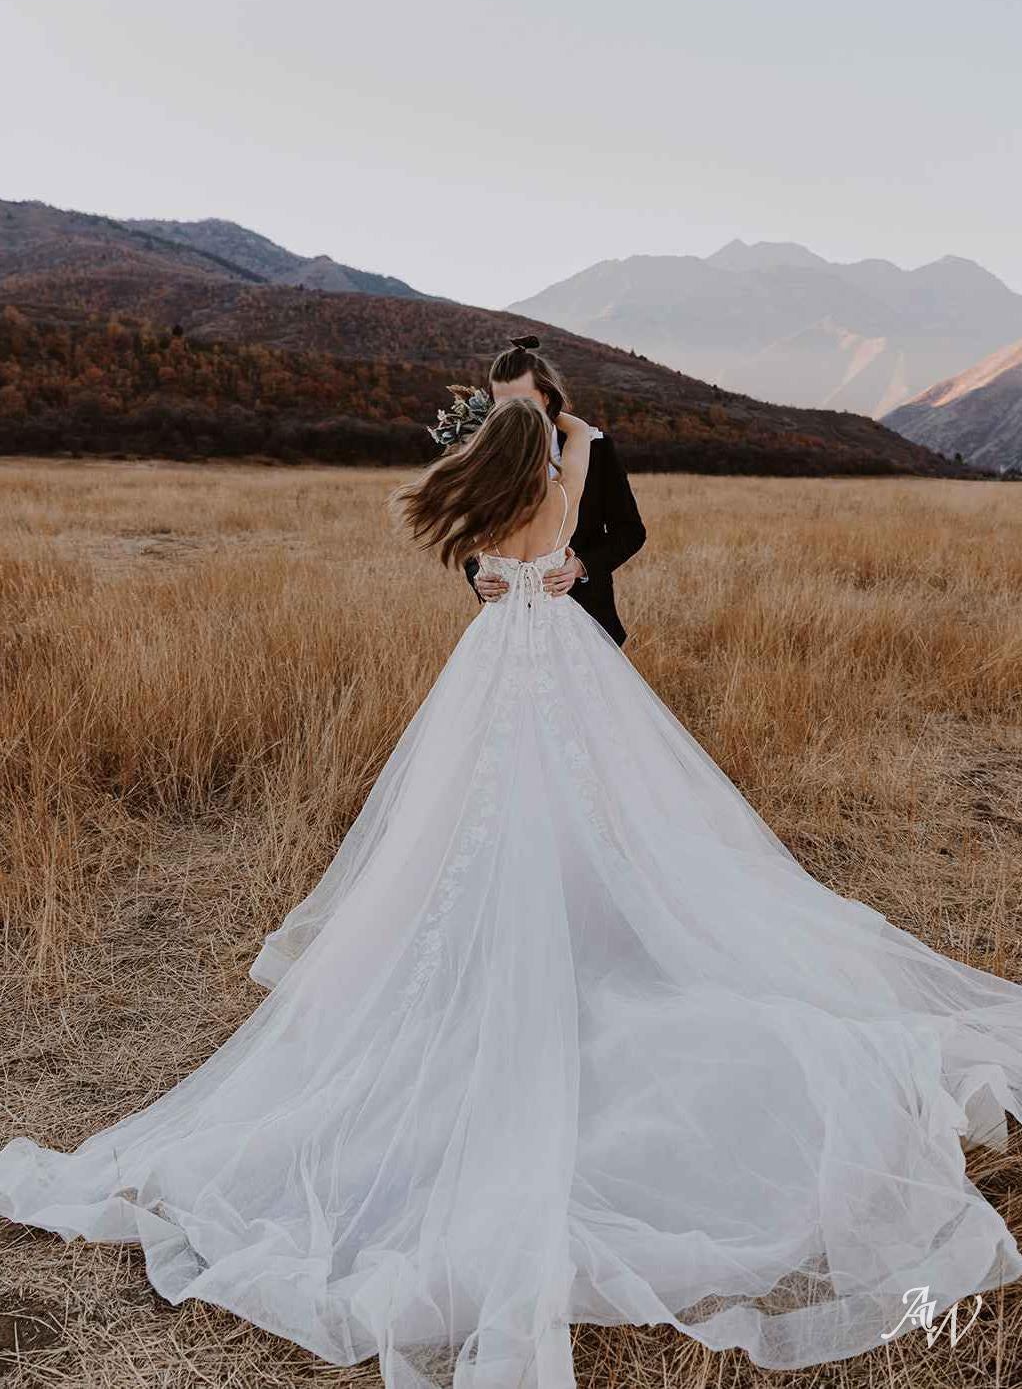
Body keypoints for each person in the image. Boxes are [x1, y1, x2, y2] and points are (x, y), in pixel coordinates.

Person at [2, 394, 1022, 1389]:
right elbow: (581, 448)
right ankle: (590, 932)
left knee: (470, 814)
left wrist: (502, 440)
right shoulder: (554, 490)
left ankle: (517, 937)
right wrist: (557, 425)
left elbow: (482, 535)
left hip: (491, 666)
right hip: (561, 663)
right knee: (591, 804)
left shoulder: (481, 502)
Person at [464, 334, 645, 645]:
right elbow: (471, 536)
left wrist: (580, 565)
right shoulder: (485, 457)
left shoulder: (596, 450)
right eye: (502, 404)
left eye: (523, 402)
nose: (513, 413)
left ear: (547, 397)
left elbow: (630, 531)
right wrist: (477, 575)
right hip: (509, 624)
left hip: (587, 614)